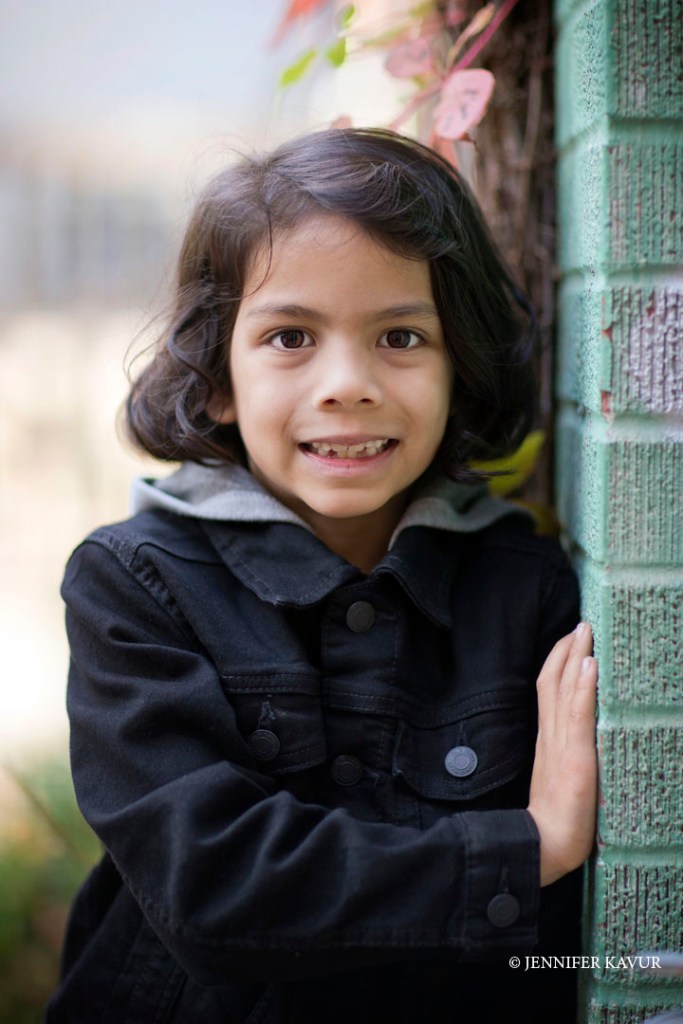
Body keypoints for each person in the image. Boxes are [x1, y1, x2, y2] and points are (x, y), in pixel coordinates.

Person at [47, 128, 598, 1024]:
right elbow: (210, 888)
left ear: (460, 366)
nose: (347, 384)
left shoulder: (524, 589)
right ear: (217, 378)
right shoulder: (133, 586)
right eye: (290, 336)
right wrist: (526, 849)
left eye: (401, 336)